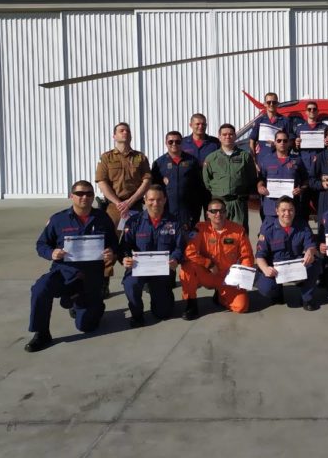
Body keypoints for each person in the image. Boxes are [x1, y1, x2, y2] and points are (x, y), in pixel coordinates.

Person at [25, 181, 118, 352]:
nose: (85, 197)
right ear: (71, 196)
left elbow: (114, 243)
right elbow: (41, 244)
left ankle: (89, 305)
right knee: (40, 288)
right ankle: (41, 332)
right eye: (80, 193)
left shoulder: (103, 218)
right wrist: (51, 253)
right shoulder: (58, 219)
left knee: (86, 326)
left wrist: (111, 251)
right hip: (64, 273)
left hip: (91, 277)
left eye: (89, 194)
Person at [95, 122, 151, 296]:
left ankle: (141, 278)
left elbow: (146, 180)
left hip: (134, 206)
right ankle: (104, 281)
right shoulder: (106, 158)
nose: (124, 133)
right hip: (113, 207)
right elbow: (102, 182)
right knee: (108, 244)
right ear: (114, 136)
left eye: (127, 130)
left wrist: (131, 200)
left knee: (139, 242)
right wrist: (118, 202)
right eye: (121, 131)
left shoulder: (140, 158)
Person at [119, 185, 186, 327]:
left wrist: (175, 258)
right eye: (151, 200)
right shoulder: (134, 221)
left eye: (159, 199)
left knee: (163, 313)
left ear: (165, 200)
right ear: (144, 200)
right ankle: (137, 313)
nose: (155, 203)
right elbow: (124, 246)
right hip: (138, 268)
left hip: (162, 270)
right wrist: (124, 258)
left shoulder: (175, 222)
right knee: (131, 284)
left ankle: (159, 295)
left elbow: (180, 247)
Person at [179, 198, 255, 318]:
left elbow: (247, 256)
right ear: (207, 214)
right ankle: (191, 304)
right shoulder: (200, 229)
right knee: (187, 267)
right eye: (214, 211)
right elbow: (190, 252)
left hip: (228, 276)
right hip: (208, 273)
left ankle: (220, 297)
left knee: (241, 307)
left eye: (221, 211)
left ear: (226, 213)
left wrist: (245, 277)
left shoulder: (238, 230)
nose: (218, 214)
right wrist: (208, 264)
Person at [255, 197, 321, 311]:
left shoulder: (302, 225)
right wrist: (266, 269)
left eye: (290, 210)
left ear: (295, 211)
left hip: (296, 265)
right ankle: (277, 292)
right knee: (266, 288)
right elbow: (260, 256)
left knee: (315, 263)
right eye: (283, 210)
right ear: (277, 211)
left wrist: (310, 251)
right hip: (275, 268)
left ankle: (306, 297)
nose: (287, 213)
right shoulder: (268, 228)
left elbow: (311, 245)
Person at [202, 123, 257, 233]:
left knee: (240, 232)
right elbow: (207, 181)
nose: (228, 137)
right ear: (220, 137)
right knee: (218, 231)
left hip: (238, 202)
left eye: (231, 134)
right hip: (219, 202)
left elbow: (252, 177)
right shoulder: (212, 158)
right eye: (224, 134)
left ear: (235, 136)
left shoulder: (244, 156)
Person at [151, 131, 202, 230]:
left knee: (188, 241)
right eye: (171, 142)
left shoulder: (192, 161)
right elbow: (154, 189)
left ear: (182, 143)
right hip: (167, 210)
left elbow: (199, 186)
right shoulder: (159, 163)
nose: (174, 144)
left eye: (177, 142)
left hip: (188, 211)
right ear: (166, 143)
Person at [257, 130, 308, 223]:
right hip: (271, 208)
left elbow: (305, 180)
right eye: (279, 140)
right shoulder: (267, 160)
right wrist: (260, 186)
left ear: (289, 143)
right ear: (275, 142)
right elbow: (261, 179)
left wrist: (301, 189)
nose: (282, 143)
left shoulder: (297, 160)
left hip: (290, 209)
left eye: (285, 141)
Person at [181, 113, 220, 218]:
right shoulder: (183, 143)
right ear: (190, 125)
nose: (200, 127)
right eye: (197, 124)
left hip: (210, 188)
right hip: (191, 188)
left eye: (203, 124)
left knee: (212, 218)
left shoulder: (214, 143)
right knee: (192, 220)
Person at [293, 101, 328, 218]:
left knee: (321, 207)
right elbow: (294, 150)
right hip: (304, 173)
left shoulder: (324, 128)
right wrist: (296, 144)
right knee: (303, 208)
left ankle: (321, 233)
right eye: (309, 109)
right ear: (305, 112)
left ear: (318, 111)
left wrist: (327, 143)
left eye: (314, 109)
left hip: (319, 173)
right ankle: (304, 234)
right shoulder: (299, 129)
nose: (312, 111)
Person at [249, 92, 293, 165]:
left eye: (274, 102)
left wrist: (279, 145)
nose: (271, 104)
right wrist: (254, 162)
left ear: (278, 104)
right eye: (269, 102)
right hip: (261, 161)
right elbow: (252, 142)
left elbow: (291, 142)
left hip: (279, 161)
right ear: (265, 104)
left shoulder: (285, 121)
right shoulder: (259, 121)